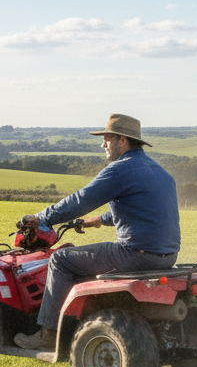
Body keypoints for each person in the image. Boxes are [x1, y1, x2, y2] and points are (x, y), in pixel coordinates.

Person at [13, 114, 180, 350]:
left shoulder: (120, 169)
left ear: (123, 141)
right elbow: (142, 212)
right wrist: (100, 221)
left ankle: (48, 335)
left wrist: (43, 217)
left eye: (107, 138)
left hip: (135, 254)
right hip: (166, 256)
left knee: (60, 260)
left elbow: (81, 200)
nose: (103, 144)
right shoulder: (160, 172)